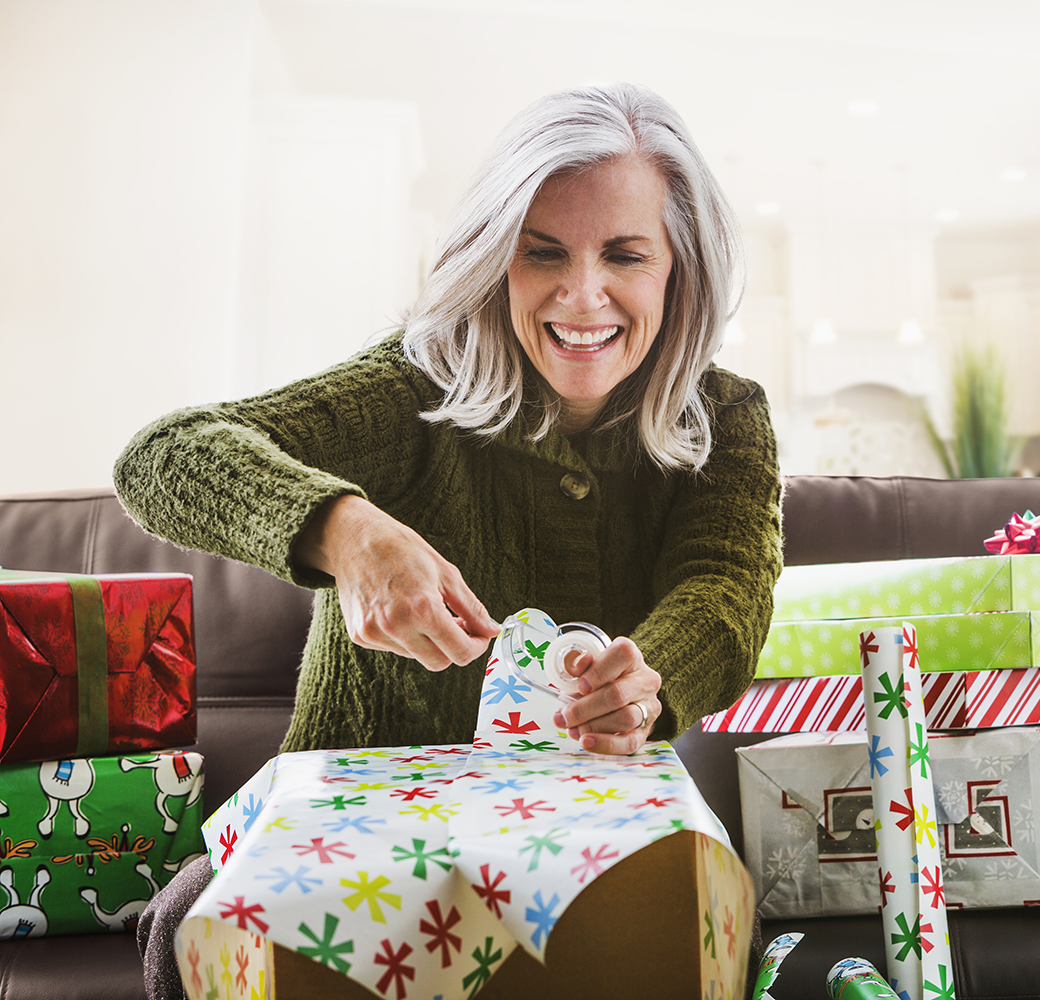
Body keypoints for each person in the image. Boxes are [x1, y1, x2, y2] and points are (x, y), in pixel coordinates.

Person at [116, 81, 781, 1000]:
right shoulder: (415, 384)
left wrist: (649, 680)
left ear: (680, 271)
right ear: (495, 260)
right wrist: (346, 532)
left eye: (625, 255)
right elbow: (162, 457)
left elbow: (726, 588)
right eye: (541, 253)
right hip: (340, 845)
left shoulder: (730, 417)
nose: (581, 294)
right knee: (186, 923)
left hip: (602, 847)